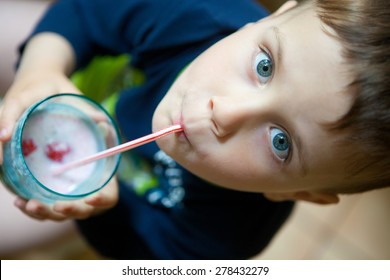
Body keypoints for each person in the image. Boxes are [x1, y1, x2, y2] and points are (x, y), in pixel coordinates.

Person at [0, 0, 388, 259]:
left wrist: (98, 211)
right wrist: (40, 68)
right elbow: (86, 11)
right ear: (270, 19)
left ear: (300, 192)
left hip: (95, 195)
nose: (226, 113)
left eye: (280, 142)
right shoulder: (200, 17)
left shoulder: (222, 240)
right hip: (76, 63)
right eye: (265, 67)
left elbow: (135, 253)